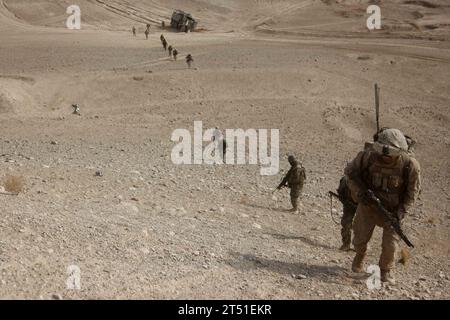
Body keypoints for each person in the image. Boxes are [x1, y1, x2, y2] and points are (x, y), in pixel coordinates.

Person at [345, 128, 421, 283]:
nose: (385, 157)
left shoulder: (409, 165)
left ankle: (386, 270)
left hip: (392, 211)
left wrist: (401, 211)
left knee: (391, 245)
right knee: (359, 238)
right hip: (368, 206)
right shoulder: (367, 156)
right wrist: (360, 193)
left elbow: (412, 193)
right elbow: (350, 174)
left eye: (390, 154)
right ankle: (360, 256)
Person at [336, 176, 358, 251]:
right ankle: (346, 244)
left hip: (361, 207)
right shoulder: (345, 180)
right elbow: (340, 194)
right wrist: (346, 203)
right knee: (346, 224)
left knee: (360, 226)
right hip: (349, 206)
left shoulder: (363, 180)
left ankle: (359, 246)